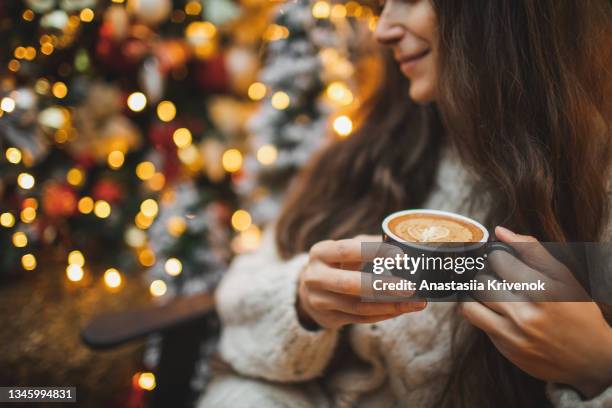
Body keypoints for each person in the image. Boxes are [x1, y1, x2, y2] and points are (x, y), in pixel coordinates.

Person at [199, 0, 612, 406]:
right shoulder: (373, 147)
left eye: (411, 0)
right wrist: (303, 304)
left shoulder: (596, 186)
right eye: (381, 5)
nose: (382, 30)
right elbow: (242, 292)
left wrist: (597, 367)